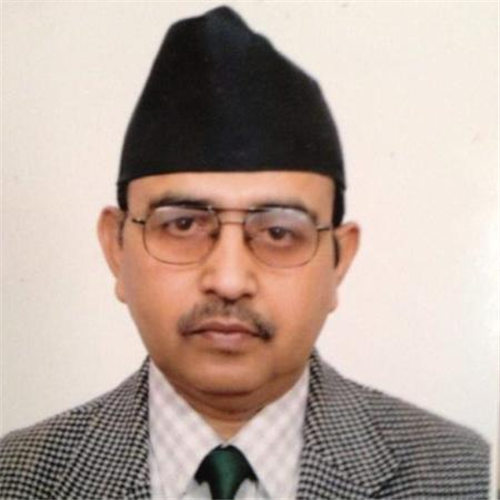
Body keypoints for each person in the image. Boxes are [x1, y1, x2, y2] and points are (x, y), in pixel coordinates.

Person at [0, 6, 490, 499]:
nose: (230, 280)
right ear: (116, 247)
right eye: (183, 224)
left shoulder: (465, 476)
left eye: (278, 232)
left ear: (339, 260)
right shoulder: (16, 478)